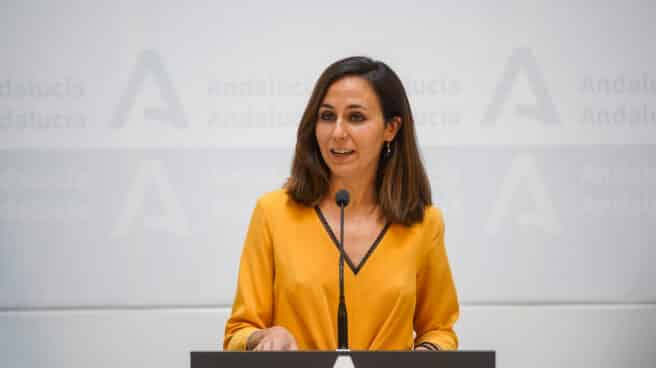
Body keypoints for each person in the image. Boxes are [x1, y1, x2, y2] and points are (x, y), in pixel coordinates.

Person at [223, 56, 459, 351]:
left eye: (356, 117)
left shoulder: (424, 223)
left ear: (391, 128)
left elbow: (439, 331)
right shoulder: (273, 213)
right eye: (326, 116)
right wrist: (263, 337)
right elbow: (237, 333)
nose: (337, 132)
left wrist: (428, 353)